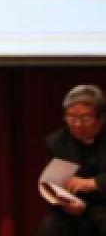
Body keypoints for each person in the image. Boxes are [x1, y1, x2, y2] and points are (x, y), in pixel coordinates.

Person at [37, 85, 106, 236]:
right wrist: (66, 203)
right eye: (71, 118)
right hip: (73, 207)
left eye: (85, 118)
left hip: (103, 204)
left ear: (101, 119)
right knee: (50, 226)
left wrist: (93, 183)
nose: (78, 124)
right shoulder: (57, 142)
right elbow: (53, 183)